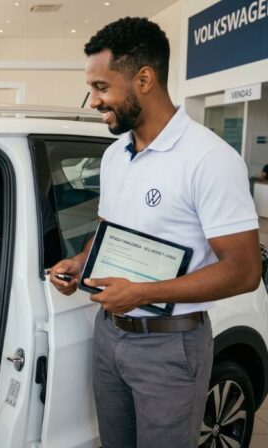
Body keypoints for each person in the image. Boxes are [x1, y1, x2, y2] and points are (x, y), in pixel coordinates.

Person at [49, 17, 260, 448]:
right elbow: (109, 229)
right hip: (109, 335)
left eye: (102, 87)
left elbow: (244, 271)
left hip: (171, 346)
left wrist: (144, 293)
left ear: (144, 78)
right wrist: (79, 263)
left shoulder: (210, 159)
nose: (93, 101)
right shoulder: (114, 156)